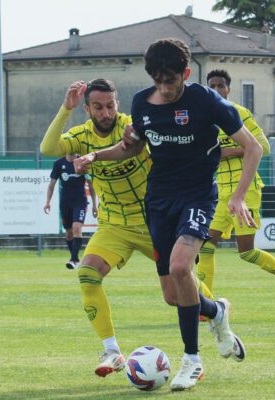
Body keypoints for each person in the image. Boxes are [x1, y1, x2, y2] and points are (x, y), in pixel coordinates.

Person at [74, 38, 261, 391]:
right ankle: (216, 312)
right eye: (158, 81)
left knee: (180, 266)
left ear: (185, 74)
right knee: (174, 295)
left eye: (171, 81)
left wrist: (237, 197)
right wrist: (95, 157)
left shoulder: (207, 101)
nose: (164, 88)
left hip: (198, 198)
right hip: (158, 203)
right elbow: (130, 147)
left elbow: (253, 147)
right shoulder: (142, 103)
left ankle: (192, 360)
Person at [40, 78, 217, 379]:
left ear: (117, 105)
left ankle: (216, 313)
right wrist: (65, 109)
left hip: (153, 218)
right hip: (114, 225)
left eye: (110, 106)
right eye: (98, 107)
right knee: (87, 274)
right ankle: (112, 351)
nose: (106, 113)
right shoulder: (81, 136)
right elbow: (47, 149)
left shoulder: (133, 126)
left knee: (178, 290)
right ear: (87, 109)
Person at [198, 69, 275, 312]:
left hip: (246, 189)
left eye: (221, 85)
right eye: (212, 86)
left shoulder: (237, 113)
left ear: (228, 89)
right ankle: (205, 306)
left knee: (246, 252)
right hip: (219, 192)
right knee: (205, 247)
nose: (216, 90)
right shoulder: (204, 119)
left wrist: (231, 151)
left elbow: (263, 146)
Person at [44, 154, 97, 270]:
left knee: (77, 227)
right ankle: (75, 258)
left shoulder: (83, 161)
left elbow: (91, 186)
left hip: (80, 202)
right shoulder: (58, 164)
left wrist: (94, 205)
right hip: (65, 203)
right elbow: (51, 185)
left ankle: (73, 260)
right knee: (69, 233)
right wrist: (47, 202)